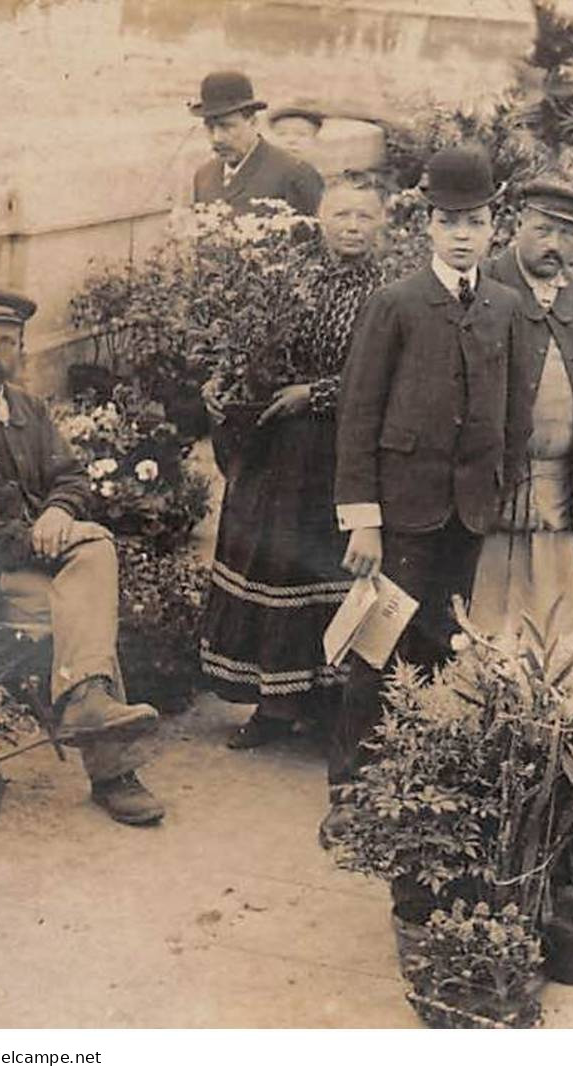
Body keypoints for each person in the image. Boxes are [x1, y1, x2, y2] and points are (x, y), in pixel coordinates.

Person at [331, 147, 526, 798]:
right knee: (377, 641)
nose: (463, 235)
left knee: (446, 641)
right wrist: (364, 520)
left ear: (493, 226)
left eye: (475, 222)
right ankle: (351, 784)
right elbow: (358, 412)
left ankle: (422, 775)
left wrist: (504, 486)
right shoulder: (398, 304)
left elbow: (513, 407)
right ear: (429, 229)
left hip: (468, 508)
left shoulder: (503, 305)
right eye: (450, 223)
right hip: (402, 508)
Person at [0, 290, 164, 825]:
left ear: (20, 348)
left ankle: (88, 702)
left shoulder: (26, 407)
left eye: (7, 342)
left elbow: (70, 476)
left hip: (24, 563)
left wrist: (60, 512)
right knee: (89, 592)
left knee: (89, 575)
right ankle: (111, 766)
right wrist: (32, 536)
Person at [199, 172, 389, 750]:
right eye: (341, 215)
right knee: (270, 564)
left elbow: (377, 377)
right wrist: (225, 379)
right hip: (274, 445)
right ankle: (273, 706)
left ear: (381, 224)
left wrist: (315, 394)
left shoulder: (387, 292)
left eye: (364, 217)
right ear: (321, 220)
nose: (352, 227)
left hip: (335, 450)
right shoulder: (289, 277)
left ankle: (329, 708)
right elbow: (254, 344)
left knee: (323, 571)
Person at [473, 179, 573, 641]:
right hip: (497, 481)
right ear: (517, 225)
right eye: (544, 230)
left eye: (567, 235)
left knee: (553, 609)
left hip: (562, 481)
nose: (554, 245)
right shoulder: (486, 283)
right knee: (491, 606)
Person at [190, 71, 323, 216]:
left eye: (226, 126)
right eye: (210, 127)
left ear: (253, 123)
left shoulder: (296, 174)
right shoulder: (204, 176)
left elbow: (311, 237)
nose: (217, 138)